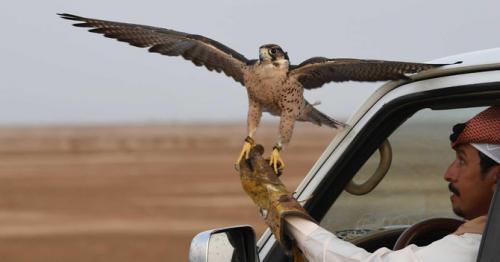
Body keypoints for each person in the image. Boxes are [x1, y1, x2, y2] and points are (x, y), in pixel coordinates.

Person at [239, 106, 500, 262]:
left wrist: (279, 205)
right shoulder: (481, 237)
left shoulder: (472, 249)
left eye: (462, 161)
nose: (448, 173)